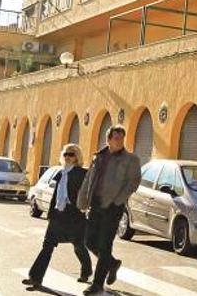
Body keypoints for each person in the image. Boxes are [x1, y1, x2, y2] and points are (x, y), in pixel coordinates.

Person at [76, 125, 142, 296]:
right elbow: (89, 179)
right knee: (89, 242)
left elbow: (133, 182)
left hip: (113, 208)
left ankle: (97, 284)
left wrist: (117, 201)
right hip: (95, 204)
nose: (119, 141)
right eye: (116, 138)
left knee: (105, 246)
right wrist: (82, 200)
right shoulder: (99, 156)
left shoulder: (131, 160)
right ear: (109, 139)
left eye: (122, 138)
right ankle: (112, 264)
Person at [23, 144, 92, 289]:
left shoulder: (82, 173)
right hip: (58, 214)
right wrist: (50, 213)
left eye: (71, 154)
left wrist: (86, 209)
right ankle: (35, 277)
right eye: (66, 154)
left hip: (75, 216)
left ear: (77, 157)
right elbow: (56, 194)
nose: (68, 157)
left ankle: (86, 270)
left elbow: (87, 195)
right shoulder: (61, 173)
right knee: (47, 245)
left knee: (79, 245)